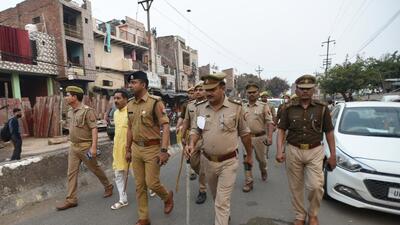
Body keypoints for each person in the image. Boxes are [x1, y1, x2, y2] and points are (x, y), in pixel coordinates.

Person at [185, 72, 253, 225]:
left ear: (222, 88)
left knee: (221, 202)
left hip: (228, 162)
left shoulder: (235, 108)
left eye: (212, 89)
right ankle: (224, 215)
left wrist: (249, 155)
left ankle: (221, 219)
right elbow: (197, 130)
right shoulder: (201, 108)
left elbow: (245, 133)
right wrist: (191, 143)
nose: (208, 93)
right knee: (217, 197)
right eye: (206, 89)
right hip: (208, 161)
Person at [276, 75, 337, 225]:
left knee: (316, 186)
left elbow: (329, 132)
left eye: (308, 89)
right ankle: (299, 215)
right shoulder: (288, 108)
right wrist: (279, 150)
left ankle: (313, 214)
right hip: (293, 150)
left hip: (315, 151)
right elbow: (281, 130)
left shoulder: (322, 109)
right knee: (295, 187)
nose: (305, 92)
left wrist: (333, 155)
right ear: (296, 89)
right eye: (302, 89)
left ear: (313, 90)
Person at [125, 71, 174, 225]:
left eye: (134, 83)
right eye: (130, 83)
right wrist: (127, 149)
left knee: (152, 183)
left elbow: (165, 126)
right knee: (139, 185)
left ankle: (167, 197)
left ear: (143, 84)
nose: (131, 85)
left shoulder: (155, 102)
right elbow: (130, 128)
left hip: (152, 148)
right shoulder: (130, 104)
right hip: (136, 149)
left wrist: (164, 150)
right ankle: (144, 218)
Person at [56, 86, 113, 211]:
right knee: (71, 173)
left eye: (68, 95)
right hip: (74, 147)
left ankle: (108, 186)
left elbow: (94, 129)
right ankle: (71, 199)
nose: (66, 97)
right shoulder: (70, 111)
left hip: (86, 147)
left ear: (75, 97)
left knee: (95, 168)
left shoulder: (88, 111)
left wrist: (93, 147)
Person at [242, 84, 274, 192]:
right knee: (247, 159)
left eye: (254, 92)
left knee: (262, 160)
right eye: (249, 92)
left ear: (258, 93)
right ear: (246, 93)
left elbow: (270, 122)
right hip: (246, 137)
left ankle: (263, 170)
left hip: (260, 137)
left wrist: (269, 137)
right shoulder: (242, 107)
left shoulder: (263, 106)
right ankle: (248, 181)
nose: (251, 94)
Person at [181, 81, 208, 204]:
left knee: (202, 167)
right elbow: (186, 120)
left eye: (201, 89)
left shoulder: (210, 104)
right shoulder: (190, 105)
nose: (198, 92)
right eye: (196, 90)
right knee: (193, 161)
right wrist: (182, 135)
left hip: (207, 138)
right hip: (193, 138)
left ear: (206, 91)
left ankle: (202, 190)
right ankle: (206, 175)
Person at [110, 89, 130, 210]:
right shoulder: (115, 113)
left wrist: (130, 148)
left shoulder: (131, 111)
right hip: (118, 148)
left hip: (130, 148)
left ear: (126, 99)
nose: (116, 100)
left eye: (118, 98)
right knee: (118, 174)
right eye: (115, 98)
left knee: (138, 174)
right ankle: (123, 199)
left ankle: (151, 188)